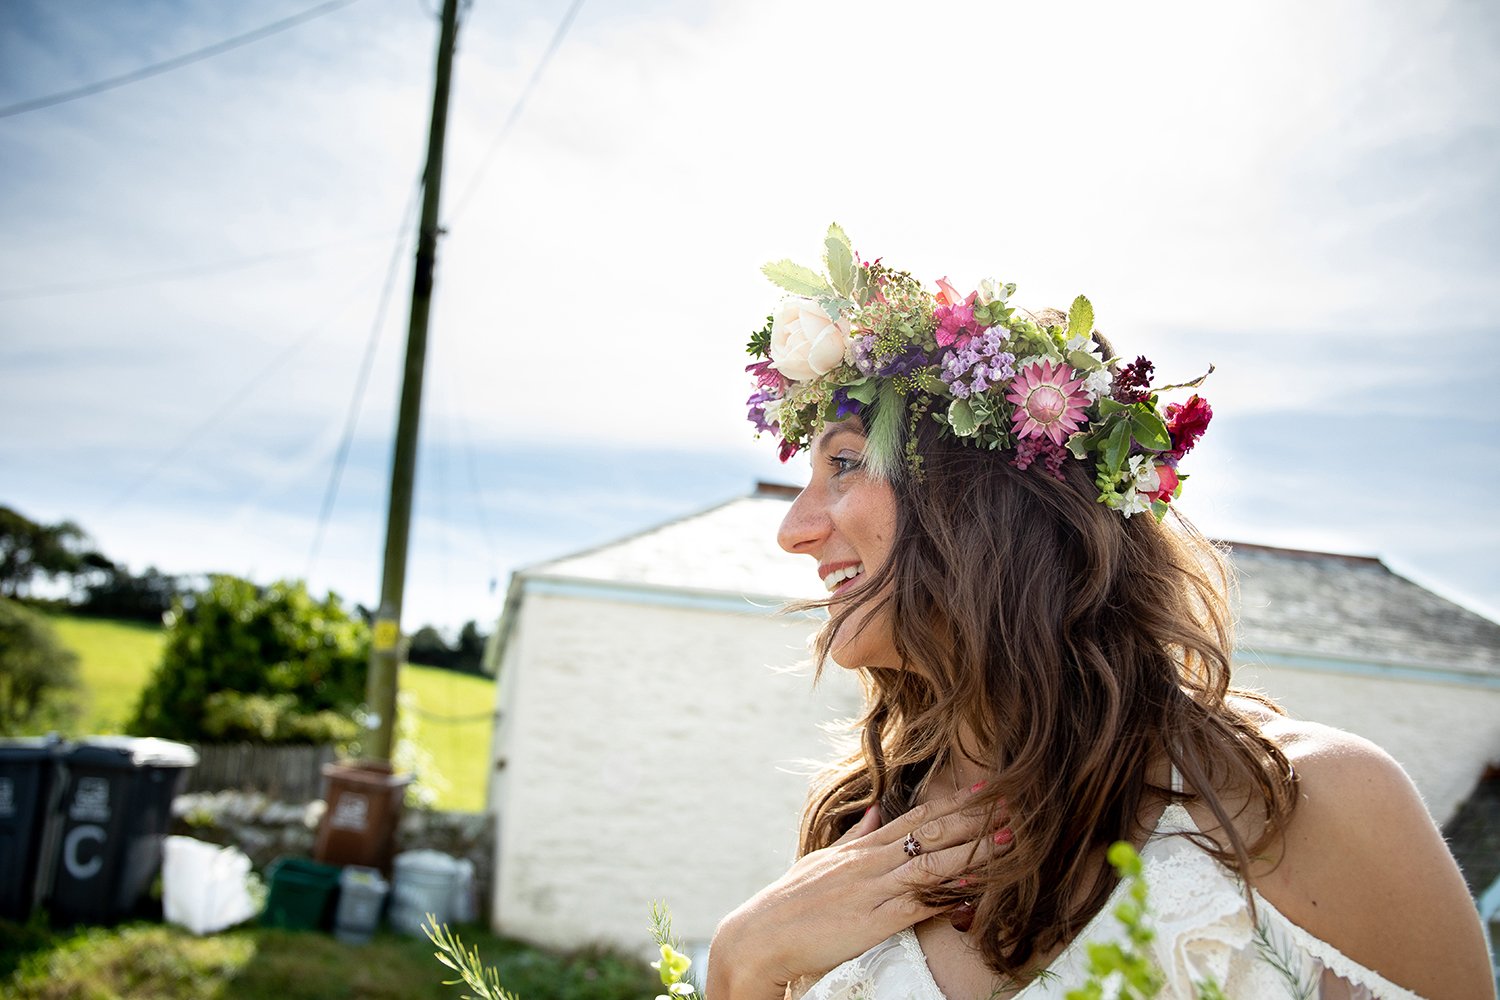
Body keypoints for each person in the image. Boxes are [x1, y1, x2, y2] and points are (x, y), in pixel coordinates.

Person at [708, 226, 1493, 1000]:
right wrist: (739, 967)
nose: (793, 529)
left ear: (987, 498)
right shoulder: (854, 828)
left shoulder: (1309, 803)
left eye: (845, 462)